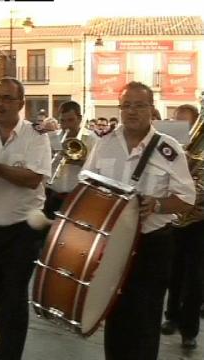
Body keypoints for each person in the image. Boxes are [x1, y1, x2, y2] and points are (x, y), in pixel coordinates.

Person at [82, 81, 196, 360]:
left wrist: (157, 204)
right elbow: (85, 183)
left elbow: (187, 198)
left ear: (151, 109)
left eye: (139, 105)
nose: (132, 111)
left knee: (145, 319)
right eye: (126, 105)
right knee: (114, 314)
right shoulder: (104, 144)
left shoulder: (168, 149)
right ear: (120, 109)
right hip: (112, 245)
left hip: (152, 246)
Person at [0, 78, 51, 360]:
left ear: (21, 104)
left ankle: (9, 354)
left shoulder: (36, 136)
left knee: (14, 295)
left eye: (7, 98)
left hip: (23, 230)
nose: (0, 104)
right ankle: (4, 344)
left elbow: (33, 179)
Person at [161, 103, 203, 350]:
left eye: (185, 123)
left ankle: (189, 330)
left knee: (195, 277)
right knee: (173, 272)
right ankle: (171, 316)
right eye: (176, 122)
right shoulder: (171, 148)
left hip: (198, 220)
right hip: (175, 218)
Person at [44, 101, 96, 219]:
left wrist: (81, 161)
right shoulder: (51, 139)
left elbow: (97, 170)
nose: (66, 125)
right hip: (53, 196)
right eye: (62, 121)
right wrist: (52, 156)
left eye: (70, 120)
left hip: (79, 198)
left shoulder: (92, 139)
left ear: (79, 119)